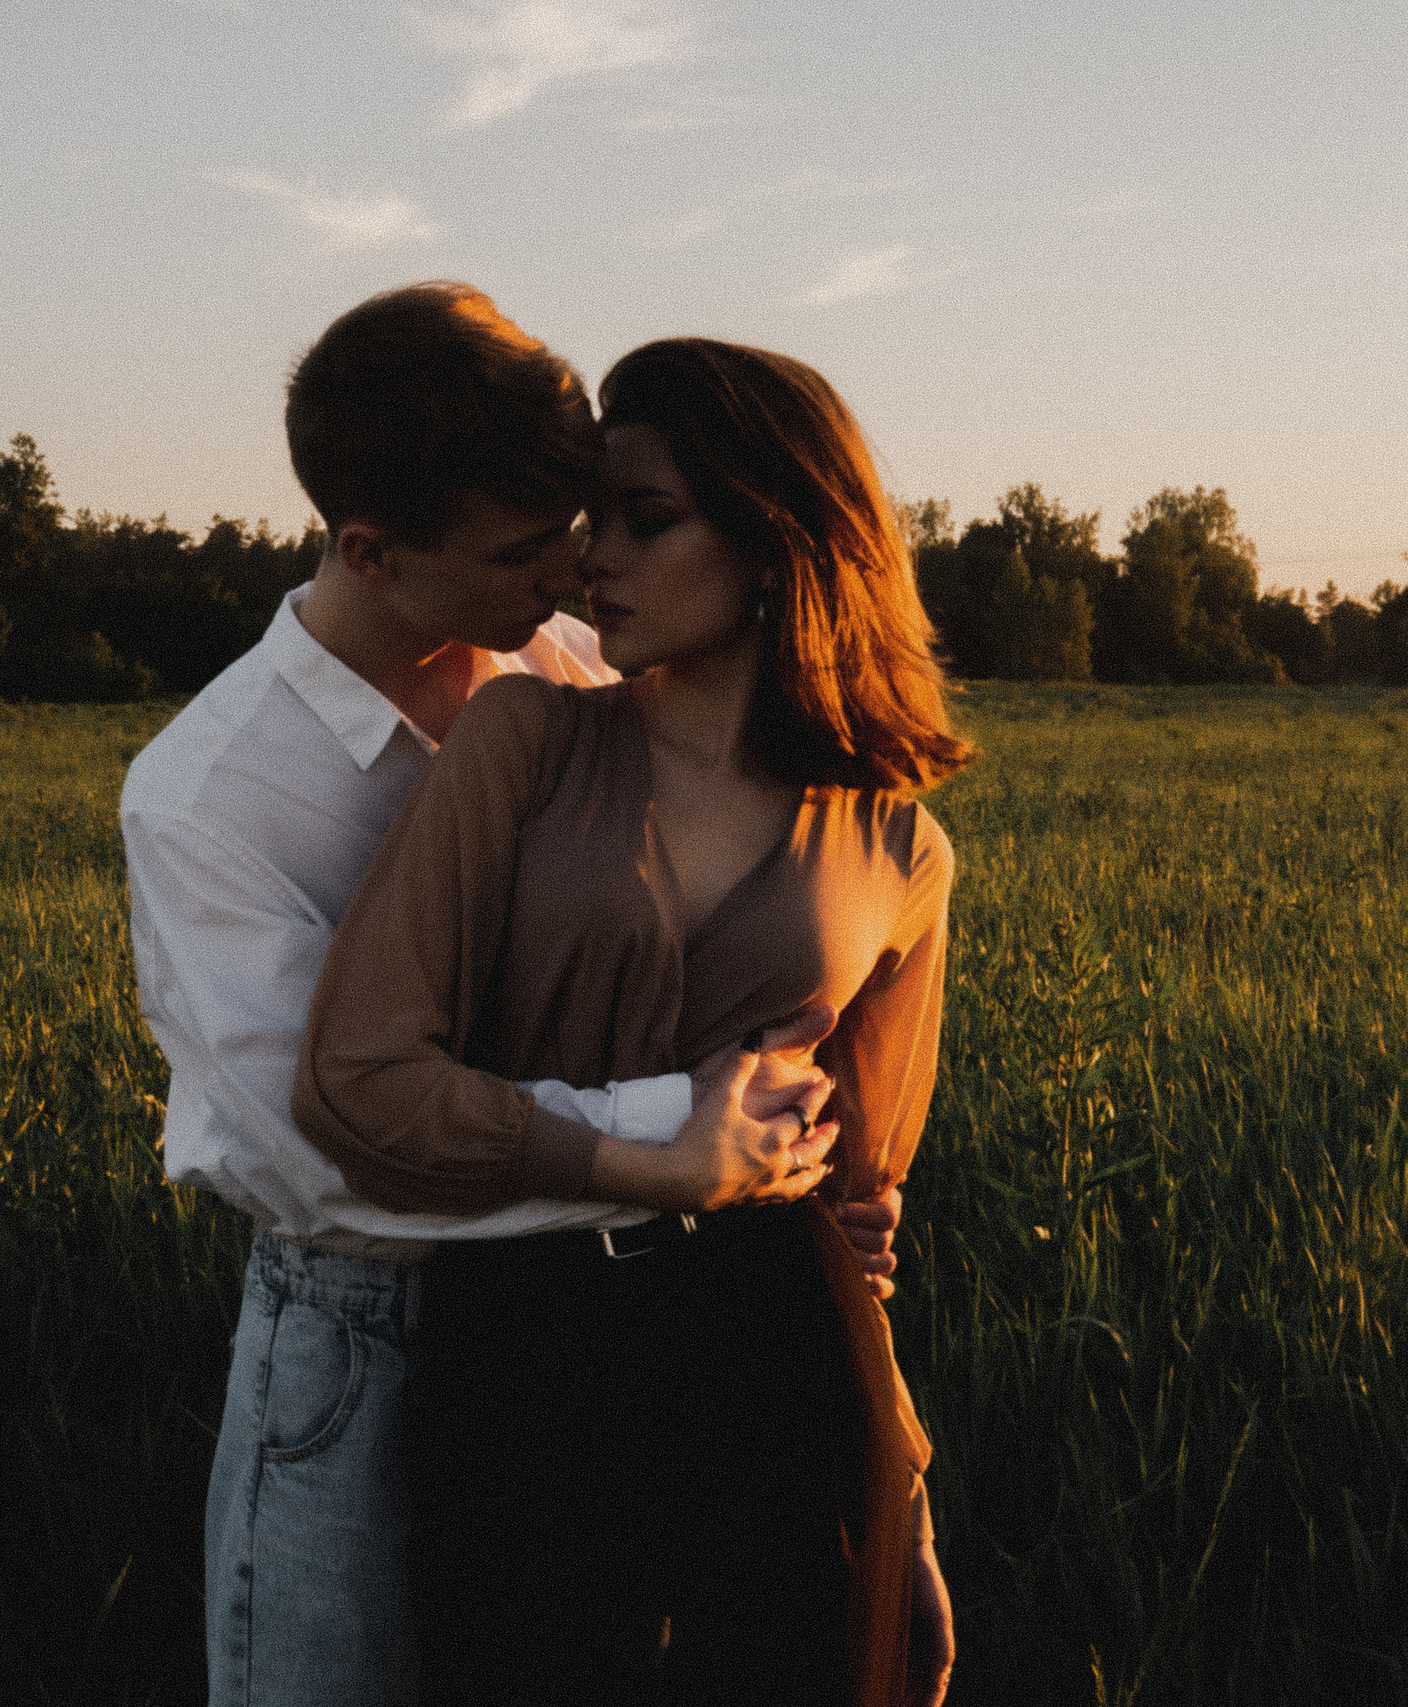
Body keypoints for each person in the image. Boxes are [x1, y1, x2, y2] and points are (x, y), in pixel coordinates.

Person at [119, 285, 906, 1707]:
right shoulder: (208, 797)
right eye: (525, 548)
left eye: (587, 522)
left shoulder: (559, 662)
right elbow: (334, 1146)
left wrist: (808, 1215)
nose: (572, 572)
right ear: (370, 548)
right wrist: (675, 1148)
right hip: (364, 1312)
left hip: (601, 1312)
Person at [293, 336, 971, 1706]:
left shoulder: (902, 852)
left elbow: (854, 1213)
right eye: (596, 516)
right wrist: (615, 1159)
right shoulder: (527, 744)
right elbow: (356, 1080)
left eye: (644, 520)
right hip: (528, 1338)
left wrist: (902, 1485)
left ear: (780, 541)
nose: (590, 556)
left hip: (783, 1358)